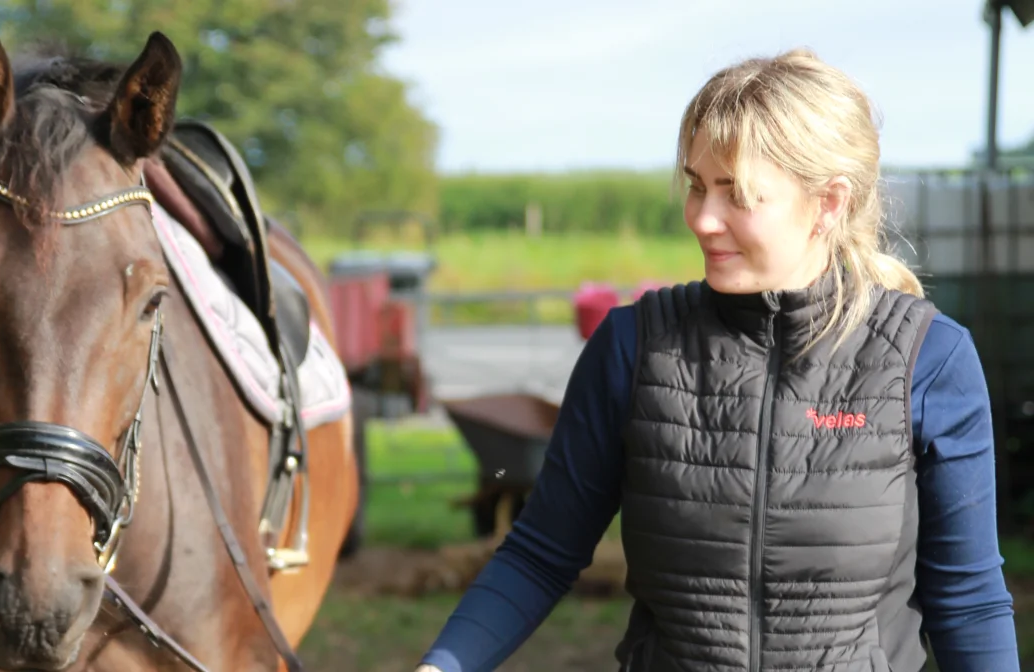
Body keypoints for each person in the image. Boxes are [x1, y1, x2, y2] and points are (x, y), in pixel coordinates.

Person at [414, 48, 1020, 672]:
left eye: (737, 194)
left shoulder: (929, 361)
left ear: (829, 204)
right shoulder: (632, 347)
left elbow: (967, 601)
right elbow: (539, 554)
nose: (702, 218)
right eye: (698, 186)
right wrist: (443, 666)